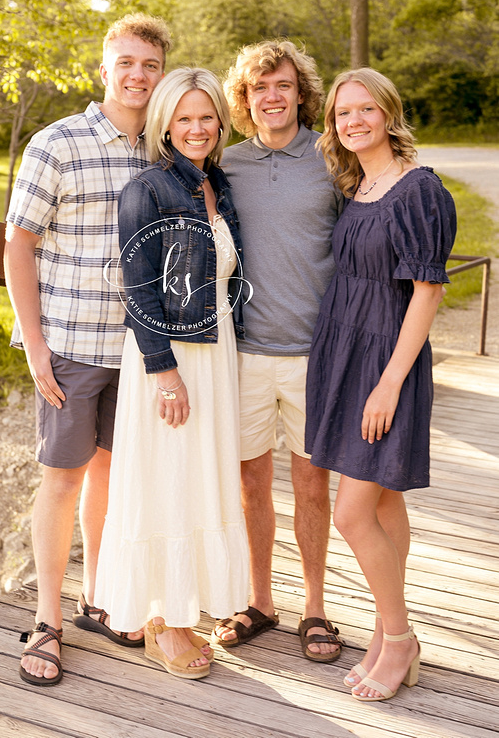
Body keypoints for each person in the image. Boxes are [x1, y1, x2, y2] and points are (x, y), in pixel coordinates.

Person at [4, 13, 172, 686]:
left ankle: (101, 598)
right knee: (62, 480)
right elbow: (19, 244)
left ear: (161, 75)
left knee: (112, 479)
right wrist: (35, 345)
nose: (137, 75)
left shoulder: (162, 152)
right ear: (104, 69)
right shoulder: (58, 143)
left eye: (150, 66)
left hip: (138, 352)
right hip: (71, 346)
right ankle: (47, 620)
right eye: (126, 63)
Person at [93, 68, 250, 681]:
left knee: (200, 480)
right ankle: (167, 620)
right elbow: (139, 293)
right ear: (164, 124)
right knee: (168, 481)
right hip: (171, 360)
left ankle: (184, 605)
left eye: (205, 117)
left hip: (217, 352)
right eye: (183, 118)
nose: (196, 128)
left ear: (219, 122)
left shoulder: (218, 186)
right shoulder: (149, 189)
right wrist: (164, 372)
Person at [307, 68, 455, 701]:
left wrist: (390, 383)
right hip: (343, 355)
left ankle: (399, 640)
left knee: (351, 513)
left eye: (366, 110)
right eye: (343, 114)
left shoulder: (419, 190)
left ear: (389, 114)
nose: (354, 121)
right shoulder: (360, 185)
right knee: (384, 503)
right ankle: (384, 628)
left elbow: (427, 291)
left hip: (384, 365)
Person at [213, 40, 345, 662]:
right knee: (249, 483)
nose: (272, 97)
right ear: (244, 97)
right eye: (260, 87)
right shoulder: (226, 165)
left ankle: (314, 607)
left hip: (315, 355)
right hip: (243, 354)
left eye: (283, 86)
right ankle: (260, 601)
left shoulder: (331, 157)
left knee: (313, 484)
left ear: (300, 93)